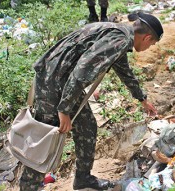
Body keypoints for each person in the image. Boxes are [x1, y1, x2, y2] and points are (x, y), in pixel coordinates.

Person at [19, 12, 164, 191]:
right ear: (147, 37)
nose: (150, 47)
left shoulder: (118, 33)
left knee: (87, 125)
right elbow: (82, 71)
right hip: (53, 83)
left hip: (63, 81)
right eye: (152, 44)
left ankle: (83, 178)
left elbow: (124, 70)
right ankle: (29, 186)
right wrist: (64, 109)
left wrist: (142, 99)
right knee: (46, 137)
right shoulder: (120, 39)